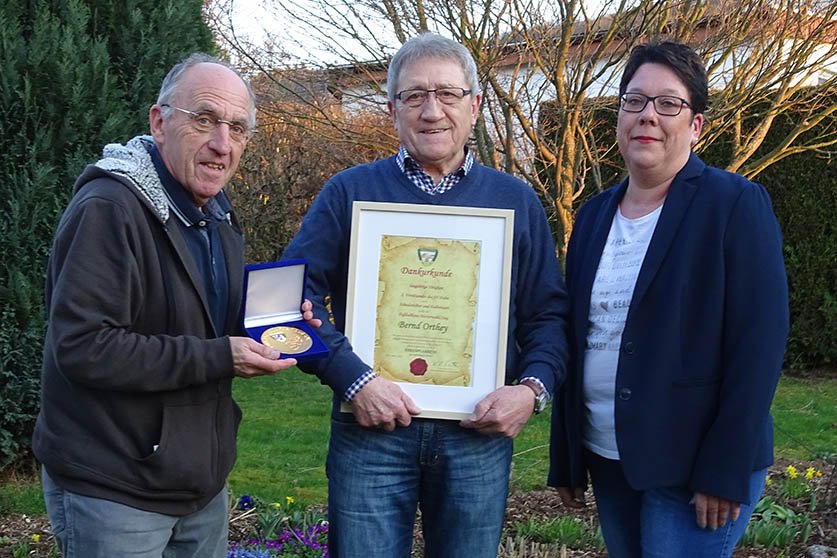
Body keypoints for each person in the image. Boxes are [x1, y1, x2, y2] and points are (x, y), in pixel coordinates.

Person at [282, 32, 569, 558]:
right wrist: (353, 379)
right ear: (392, 109)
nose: (432, 111)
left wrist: (530, 390)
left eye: (448, 94)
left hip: (476, 436)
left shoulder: (515, 202)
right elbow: (286, 296)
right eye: (414, 95)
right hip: (371, 431)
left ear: (475, 106)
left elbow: (547, 315)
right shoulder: (349, 193)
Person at [32, 52, 320, 558]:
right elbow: (82, 347)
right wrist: (219, 355)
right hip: (115, 487)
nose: (221, 144)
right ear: (159, 121)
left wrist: (268, 325)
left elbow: (199, 317)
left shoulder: (217, 214)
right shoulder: (109, 209)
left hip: (199, 486)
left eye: (237, 128)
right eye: (204, 119)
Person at [548, 41, 789, 557]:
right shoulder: (592, 217)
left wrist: (725, 467)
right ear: (618, 116)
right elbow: (578, 335)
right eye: (633, 101)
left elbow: (759, 346)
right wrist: (566, 454)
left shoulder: (734, 204)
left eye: (668, 103)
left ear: (695, 124)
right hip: (610, 457)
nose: (647, 116)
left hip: (694, 465)